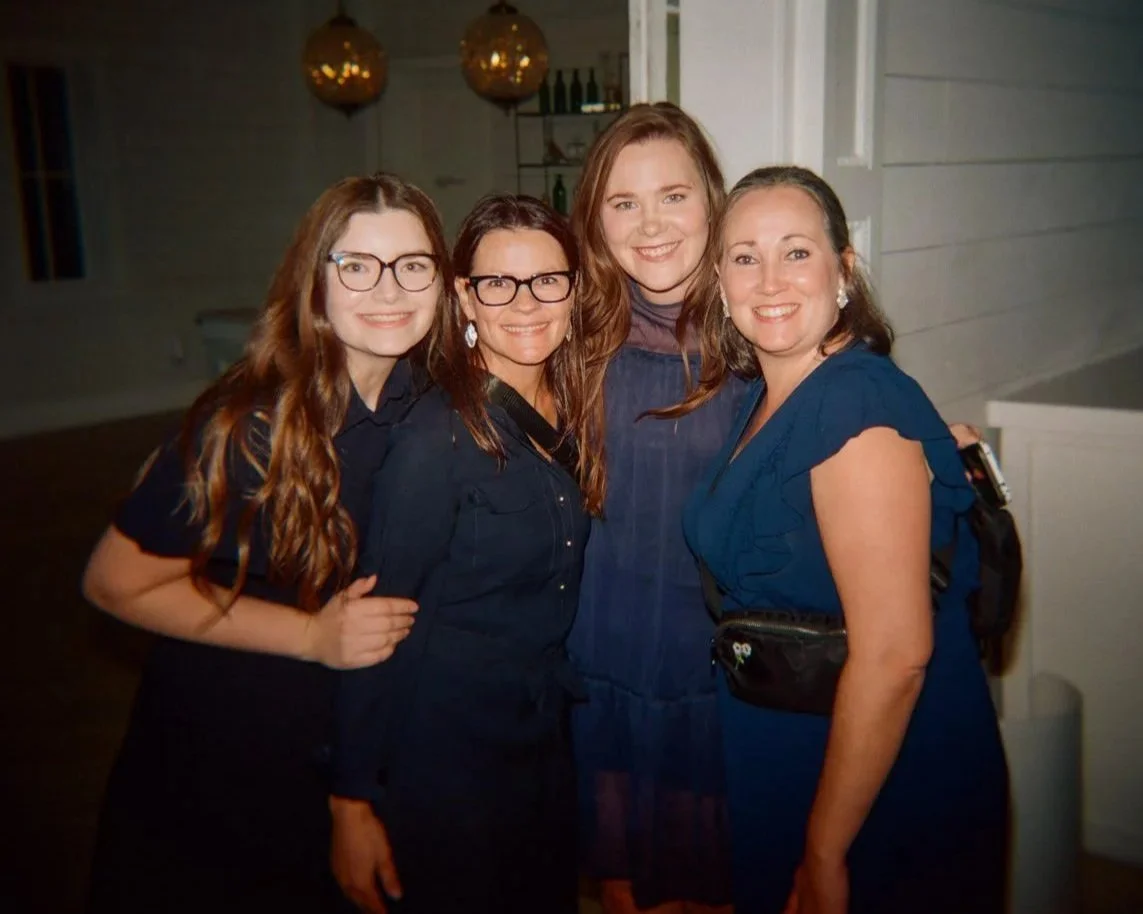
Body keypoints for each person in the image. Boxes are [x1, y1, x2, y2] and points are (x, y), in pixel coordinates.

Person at [80, 173, 451, 913]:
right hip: (227, 744)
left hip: (348, 734)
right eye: (356, 265)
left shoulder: (427, 402)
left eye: (413, 264)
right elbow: (111, 583)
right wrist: (311, 635)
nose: (389, 289)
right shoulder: (251, 426)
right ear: (314, 284)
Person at [680, 166, 1009, 914]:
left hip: (876, 775)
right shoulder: (774, 394)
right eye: (742, 256)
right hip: (793, 748)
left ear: (843, 272)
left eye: (796, 252)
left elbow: (895, 656)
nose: (769, 279)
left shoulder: (854, 403)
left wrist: (825, 850)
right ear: (720, 285)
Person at [328, 194, 607, 914]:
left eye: (547, 280)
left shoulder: (575, 401)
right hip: (448, 757)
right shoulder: (437, 437)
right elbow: (375, 621)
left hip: (542, 738)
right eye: (497, 283)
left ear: (575, 288)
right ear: (463, 295)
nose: (525, 303)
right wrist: (351, 800)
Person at [566, 102, 742, 914]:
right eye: (622, 202)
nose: (649, 226)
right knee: (617, 885)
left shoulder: (761, 335)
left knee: (708, 881)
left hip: (711, 671)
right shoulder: (564, 334)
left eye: (672, 195)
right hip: (592, 655)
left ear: (711, 199)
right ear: (594, 220)